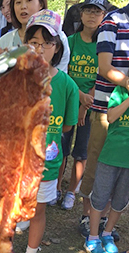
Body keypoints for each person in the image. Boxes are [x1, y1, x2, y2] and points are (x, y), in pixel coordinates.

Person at [0, 10, 79, 253]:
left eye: (47, 43)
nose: (39, 49)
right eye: (33, 42)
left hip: (47, 163)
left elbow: (66, 127)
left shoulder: (67, 86)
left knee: (37, 210)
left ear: (57, 48)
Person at [79, 2, 129, 241]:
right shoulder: (113, 21)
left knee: (122, 166)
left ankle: (107, 223)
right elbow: (104, 67)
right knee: (97, 161)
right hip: (105, 106)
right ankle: (87, 215)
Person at [55, 0, 105, 211]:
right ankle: (55, 187)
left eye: (97, 12)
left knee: (81, 151)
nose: (92, 16)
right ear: (81, 14)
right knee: (61, 146)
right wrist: (80, 97)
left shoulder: (103, 44)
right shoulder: (71, 41)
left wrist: (86, 103)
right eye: (88, 11)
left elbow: (102, 74)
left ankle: (71, 191)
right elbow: (64, 70)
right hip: (69, 100)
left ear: (103, 16)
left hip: (90, 106)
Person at [84, 83, 129, 253]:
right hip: (110, 156)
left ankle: (107, 233)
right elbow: (110, 117)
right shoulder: (120, 91)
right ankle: (93, 237)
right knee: (100, 196)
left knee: (120, 200)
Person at [0, 0, 70, 74]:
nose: (23, 6)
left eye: (29, 0)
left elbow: (59, 78)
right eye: (18, 2)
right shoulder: (4, 41)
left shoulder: (60, 38)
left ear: (41, 4)